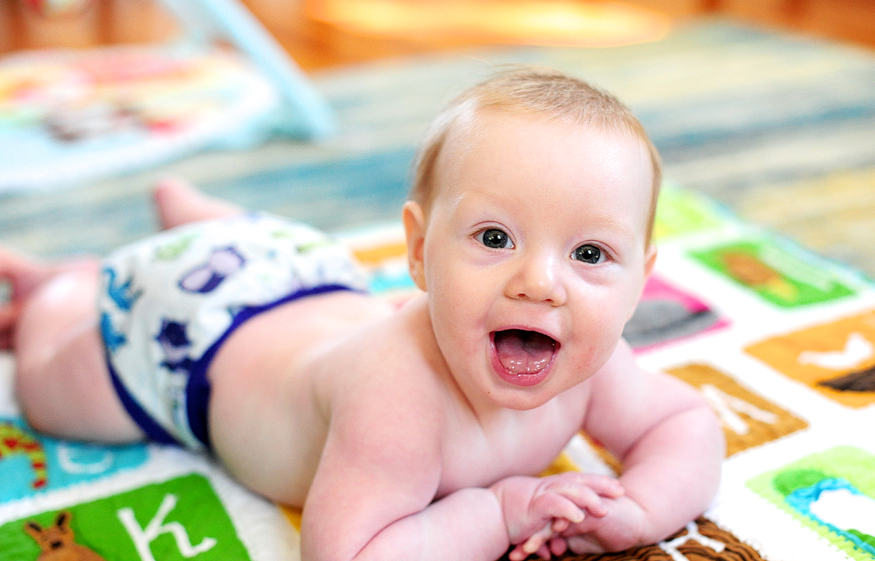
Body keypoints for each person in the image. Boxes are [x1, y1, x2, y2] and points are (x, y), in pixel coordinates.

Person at [2, 67, 723, 561]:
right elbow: (347, 550)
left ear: (641, 282)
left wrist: (642, 507)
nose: (541, 283)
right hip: (188, 336)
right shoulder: (398, 394)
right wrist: (499, 513)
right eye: (495, 238)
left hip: (291, 267)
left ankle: (193, 216)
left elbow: (686, 424)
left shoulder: (594, 362)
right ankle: (61, 286)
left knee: (242, 243)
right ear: (417, 250)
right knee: (53, 388)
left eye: (591, 254)